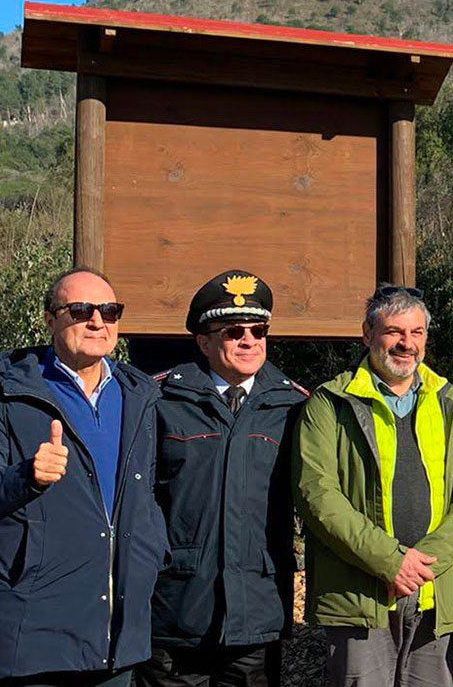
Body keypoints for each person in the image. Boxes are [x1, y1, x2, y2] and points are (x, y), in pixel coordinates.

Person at [0, 267, 166, 687]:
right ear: (49, 318)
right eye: (81, 310)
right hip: (34, 641)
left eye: (110, 311)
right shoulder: (2, 401)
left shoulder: (142, 398)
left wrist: (155, 552)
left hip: (119, 641)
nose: (97, 321)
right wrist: (25, 477)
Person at [291, 285, 453, 687]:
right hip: (360, 590)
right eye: (394, 331)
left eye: (417, 333)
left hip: (433, 588)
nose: (406, 344)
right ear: (367, 334)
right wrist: (390, 561)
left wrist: (422, 564)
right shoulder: (331, 403)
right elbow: (317, 494)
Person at [140, 271, 308, 687]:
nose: (249, 340)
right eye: (234, 331)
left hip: (256, 611)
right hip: (174, 610)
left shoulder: (294, 406)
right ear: (203, 341)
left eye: (259, 330)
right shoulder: (159, 399)